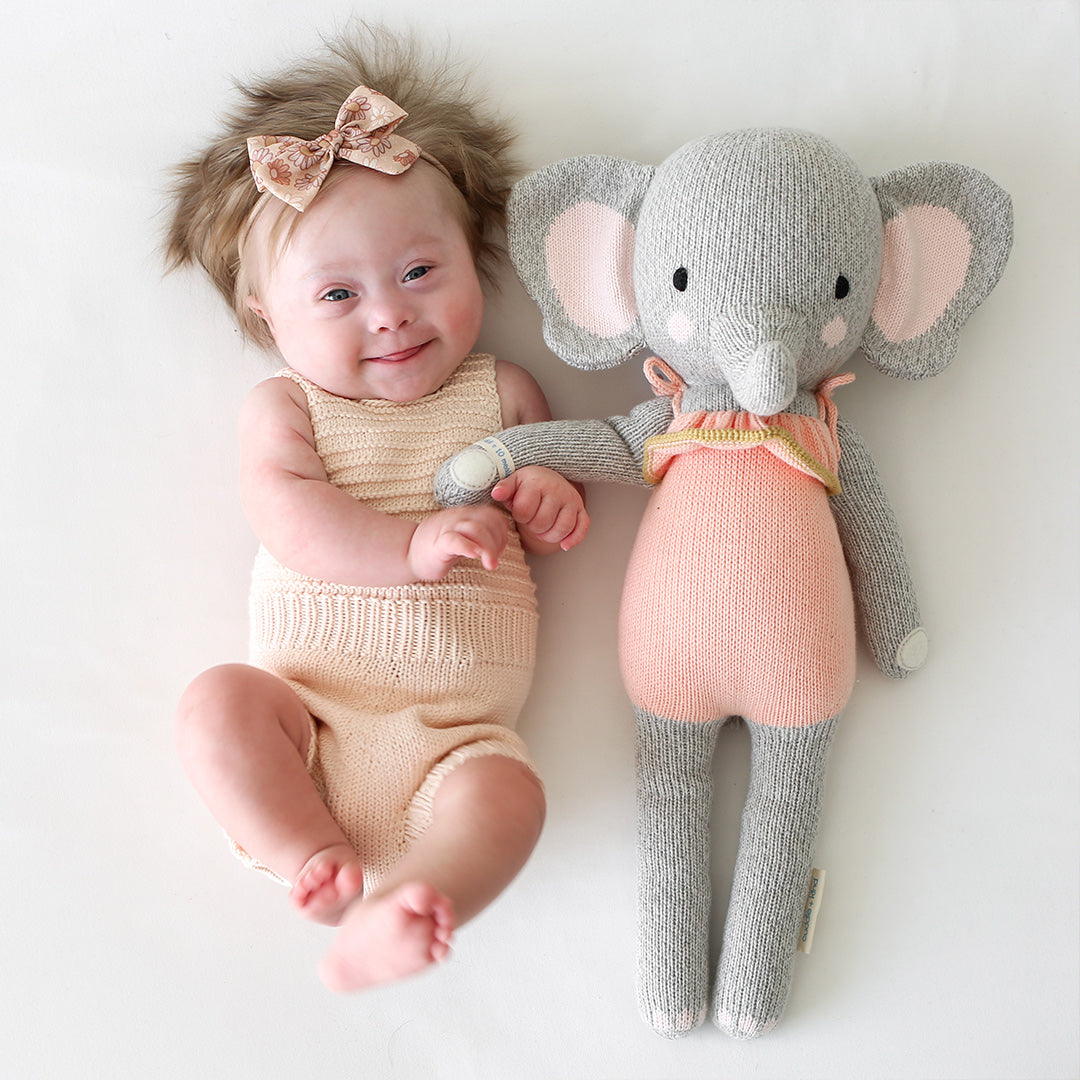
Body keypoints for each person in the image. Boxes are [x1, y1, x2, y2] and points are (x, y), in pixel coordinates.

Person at [166, 29, 588, 993]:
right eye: (339, 294)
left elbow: (549, 490)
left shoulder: (504, 392)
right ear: (272, 317)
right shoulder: (287, 408)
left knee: (512, 795)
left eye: (420, 272)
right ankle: (314, 855)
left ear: (471, 261)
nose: (389, 314)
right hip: (304, 719)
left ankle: (420, 899)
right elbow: (287, 516)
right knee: (215, 704)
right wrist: (414, 542)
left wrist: (549, 501)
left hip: (456, 736)